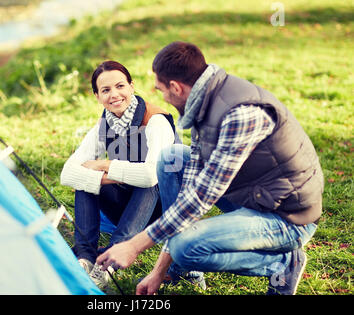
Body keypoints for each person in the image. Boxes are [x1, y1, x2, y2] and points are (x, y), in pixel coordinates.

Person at [96, 42, 324, 295]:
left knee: (186, 246)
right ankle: (182, 268)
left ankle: (282, 263)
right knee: (172, 158)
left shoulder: (239, 114)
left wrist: (134, 245)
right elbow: (189, 189)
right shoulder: (203, 101)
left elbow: (201, 197)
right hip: (254, 197)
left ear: (176, 87)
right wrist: (159, 271)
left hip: (288, 218)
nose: (162, 98)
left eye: (161, 90)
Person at [60, 60, 179, 288]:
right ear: (97, 96)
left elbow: (150, 177)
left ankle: (110, 262)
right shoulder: (104, 123)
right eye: (105, 90)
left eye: (120, 86)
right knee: (86, 181)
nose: (114, 94)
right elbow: (67, 173)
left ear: (131, 86)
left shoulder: (156, 121)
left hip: (159, 211)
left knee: (149, 179)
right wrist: (103, 178)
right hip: (125, 208)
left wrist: (105, 165)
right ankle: (84, 258)